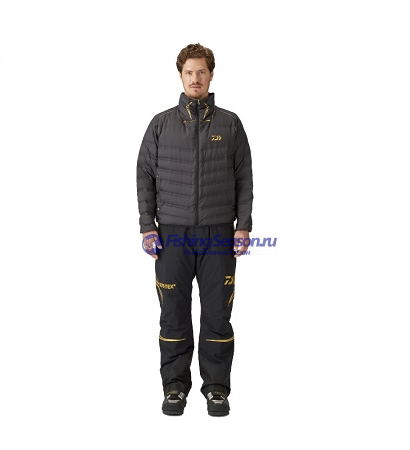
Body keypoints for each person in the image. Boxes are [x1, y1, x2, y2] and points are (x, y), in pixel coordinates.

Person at [136, 43, 253, 416]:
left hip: (219, 234)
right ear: (180, 76)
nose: (195, 78)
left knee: (217, 314)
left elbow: (244, 179)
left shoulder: (230, 124)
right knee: (173, 314)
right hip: (171, 235)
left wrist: (243, 226)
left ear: (211, 75)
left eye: (201, 71)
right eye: (189, 72)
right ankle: (174, 388)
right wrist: (147, 226)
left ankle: (216, 389)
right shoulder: (161, 124)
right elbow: (145, 177)